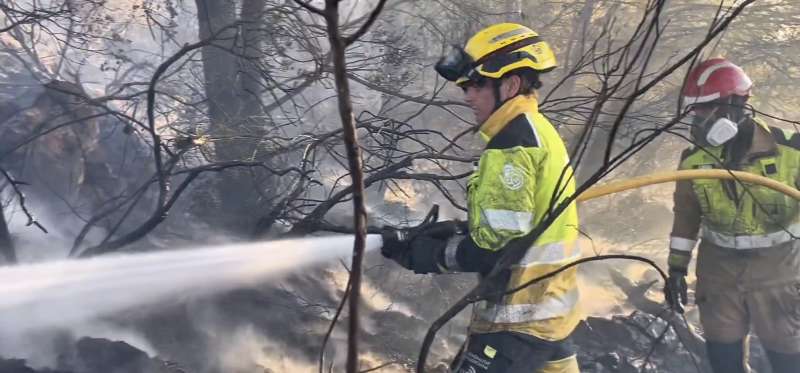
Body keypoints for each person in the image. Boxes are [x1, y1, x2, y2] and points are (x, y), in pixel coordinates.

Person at [381, 23, 581, 373]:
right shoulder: (540, 132)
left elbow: (494, 249)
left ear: (510, 85)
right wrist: (456, 230)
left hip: (515, 325)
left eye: (476, 85)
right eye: (465, 87)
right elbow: (519, 222)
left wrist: (428, 255)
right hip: (549, 316)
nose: (467, 96)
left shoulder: (512, 145)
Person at [665, 58, 800, 373]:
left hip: (780, 276)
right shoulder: (694, 160)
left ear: (736, 104)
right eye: (695, 110)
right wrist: (676, 270)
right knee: (724, 361)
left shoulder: (791, 150)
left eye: (705, 108)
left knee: (788, 359)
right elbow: (686, 217)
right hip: (718, 276)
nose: (698, 118)